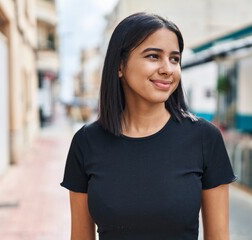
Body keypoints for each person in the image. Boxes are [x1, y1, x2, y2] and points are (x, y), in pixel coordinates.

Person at [61, 12, 236, 240]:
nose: (168, 69)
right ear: (120, 66)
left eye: (174, 59)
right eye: (153, 56)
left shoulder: (204, 138)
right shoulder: (86, 142)